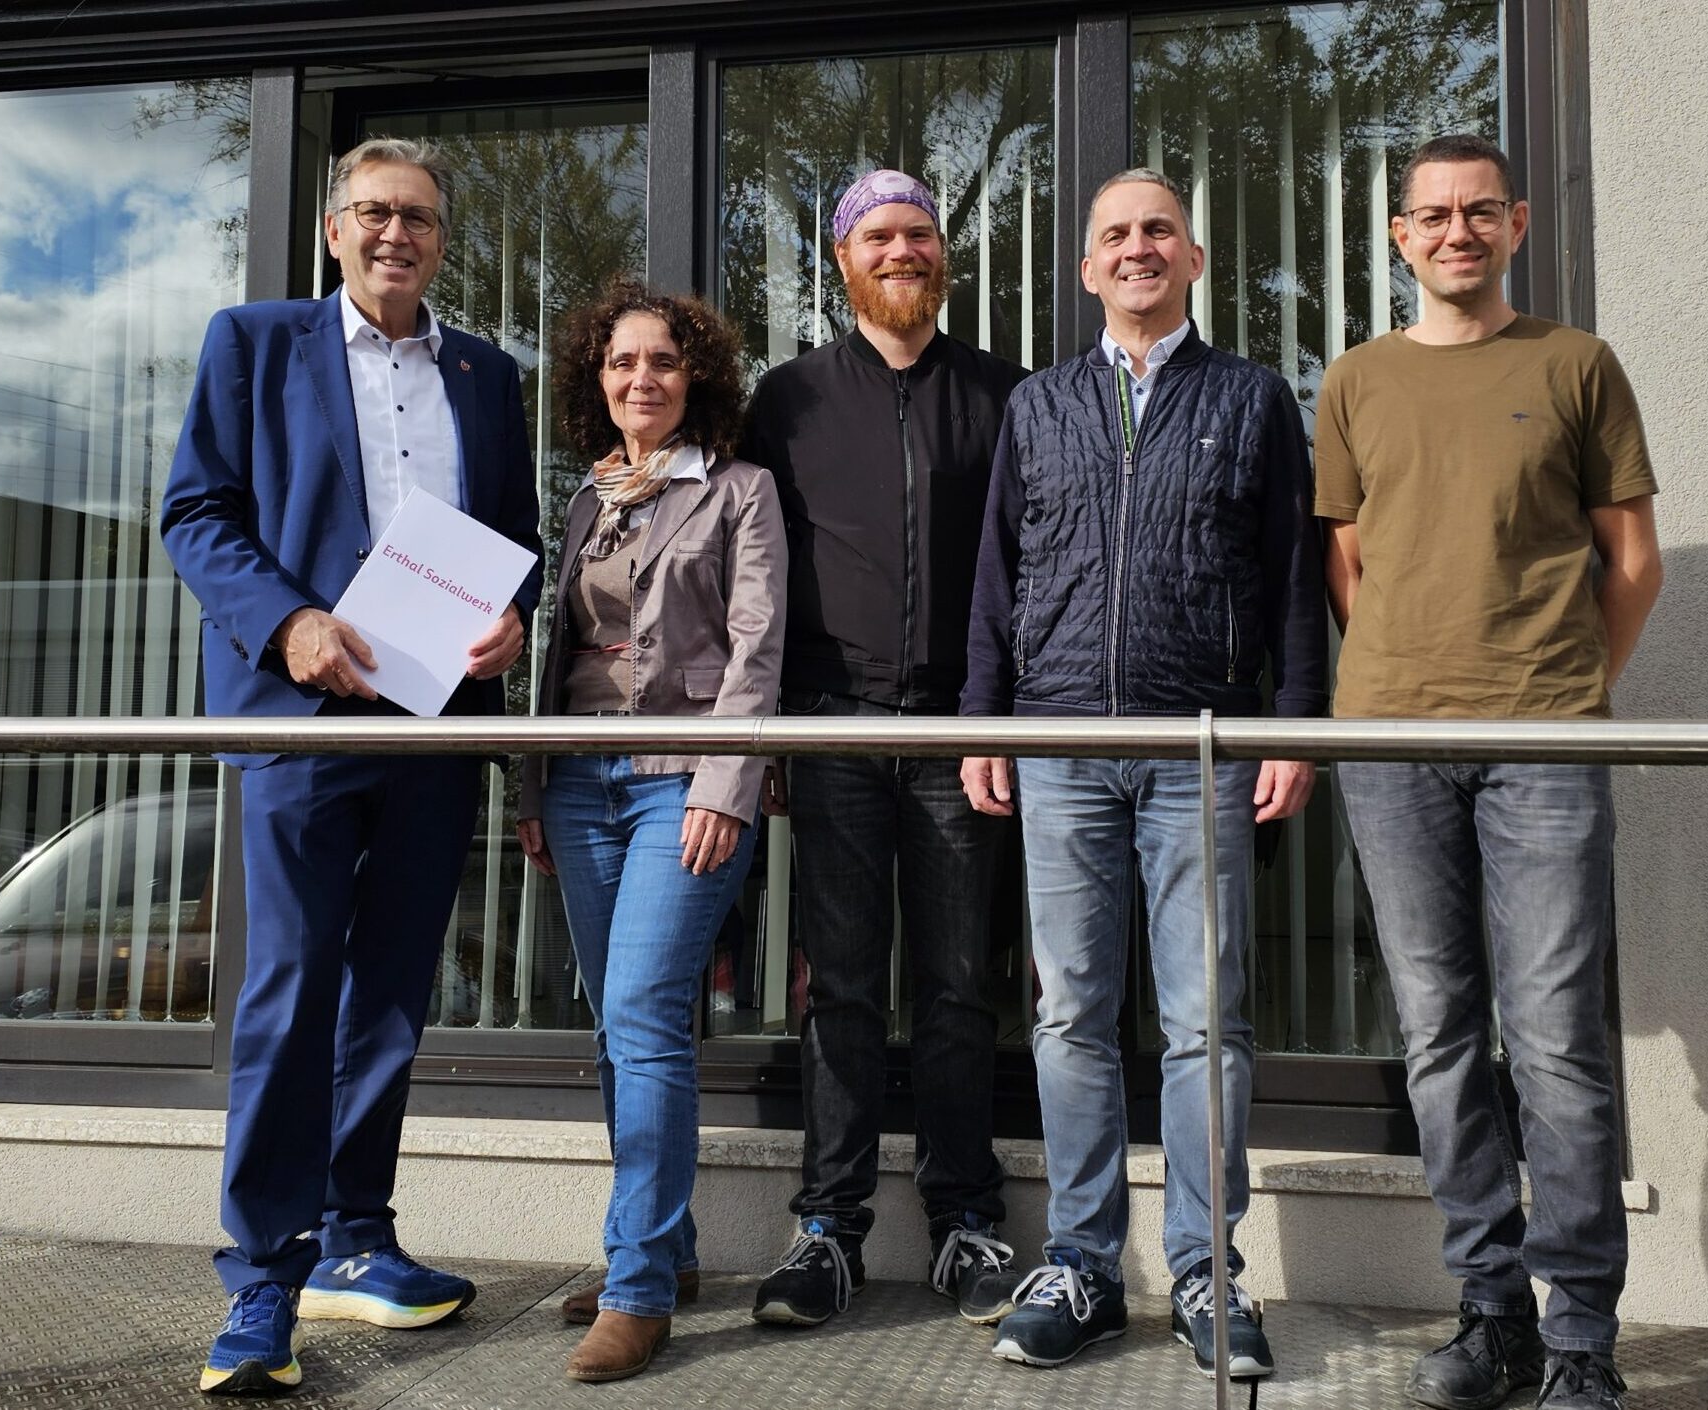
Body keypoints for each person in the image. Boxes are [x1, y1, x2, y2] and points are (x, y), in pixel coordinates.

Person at [161, 136, 543, 1396]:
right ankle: (264, 1277)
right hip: (303, 717)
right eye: (376, 213)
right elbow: (198, 512)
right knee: (288, 989)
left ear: (444, 239)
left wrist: (514, 623)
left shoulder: (491, 375)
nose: (399, 235)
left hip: (434, 725)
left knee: (389, 992)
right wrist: (291, 623)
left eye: (421, 218)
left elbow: (516, 541)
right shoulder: (252, 342)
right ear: (334, 229)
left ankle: (358, 1237)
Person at [1316, 134, 1662, 1410]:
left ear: (1516, 223)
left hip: (1545, 745)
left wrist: (1570, 690)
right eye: (1431, 215)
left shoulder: (1576, 365)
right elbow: (1349, 563)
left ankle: (1581, 1332)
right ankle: (1490, 1309)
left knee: (1560, 1040)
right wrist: (1411, 678)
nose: (1455, 232)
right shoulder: (1354, 379)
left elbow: (1632, 561)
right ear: (1399, 236)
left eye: (1478, 213)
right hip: (1393, 746)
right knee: (1439, 1036)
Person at [961, 167, 1326, 1373]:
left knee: (1204, 1020)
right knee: (1068, 1013)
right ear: (1084, 269)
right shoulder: (1040, 405)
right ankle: (1079, 1264)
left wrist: (1294, 725)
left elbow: (1287, 579)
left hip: (1202, 746)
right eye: (1113, 234)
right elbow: (997, 580)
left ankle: (1203, 1271)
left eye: (1157, 230)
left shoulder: (1255, 397)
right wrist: (985, 720)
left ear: (1194, 257)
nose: (1136, 249)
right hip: (1059, 746)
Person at [739, 169, 1029, 1330]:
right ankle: (829, 1229)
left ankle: (967, 1223)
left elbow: (1028, 565)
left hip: (963, 731)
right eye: (879, 236)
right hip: (833, 727)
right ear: (841, 259)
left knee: (963, 988)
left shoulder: (1007, 396)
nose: (901, 251)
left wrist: (1000, 716)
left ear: (942, 255)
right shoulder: (788, 399)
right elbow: (751, 572)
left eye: (918, 234)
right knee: (843, 989)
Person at [516, 280, 785, 1383]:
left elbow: (757, 645)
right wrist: (533, 788)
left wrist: (730, 784)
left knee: (641, 1008)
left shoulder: (742, 491)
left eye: (663, 363)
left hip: (684, 780)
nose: (642, 380)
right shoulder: (585, 498)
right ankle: (661, 1253)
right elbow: (557, 655)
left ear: (696, 379)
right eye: (623, 364)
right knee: (615, 1021)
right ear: (600, 383)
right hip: (580, 782)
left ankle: (635, 1291)